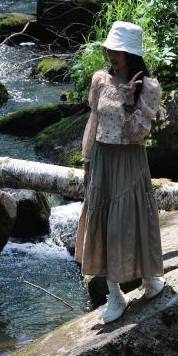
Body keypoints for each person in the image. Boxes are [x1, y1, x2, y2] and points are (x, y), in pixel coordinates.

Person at [74, 21, 164, 324]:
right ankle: (115, 294)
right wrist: (87, 162)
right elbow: (94, 122)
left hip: (129, 160)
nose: (112, 55)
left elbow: (139, 135)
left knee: (131, 220)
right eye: (110, 49)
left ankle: (150, 279)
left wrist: (128, 102)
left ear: (131, 54)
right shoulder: (100, 80)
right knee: (103, 223)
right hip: (102, 158)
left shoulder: (149, 88)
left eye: (119, 51)